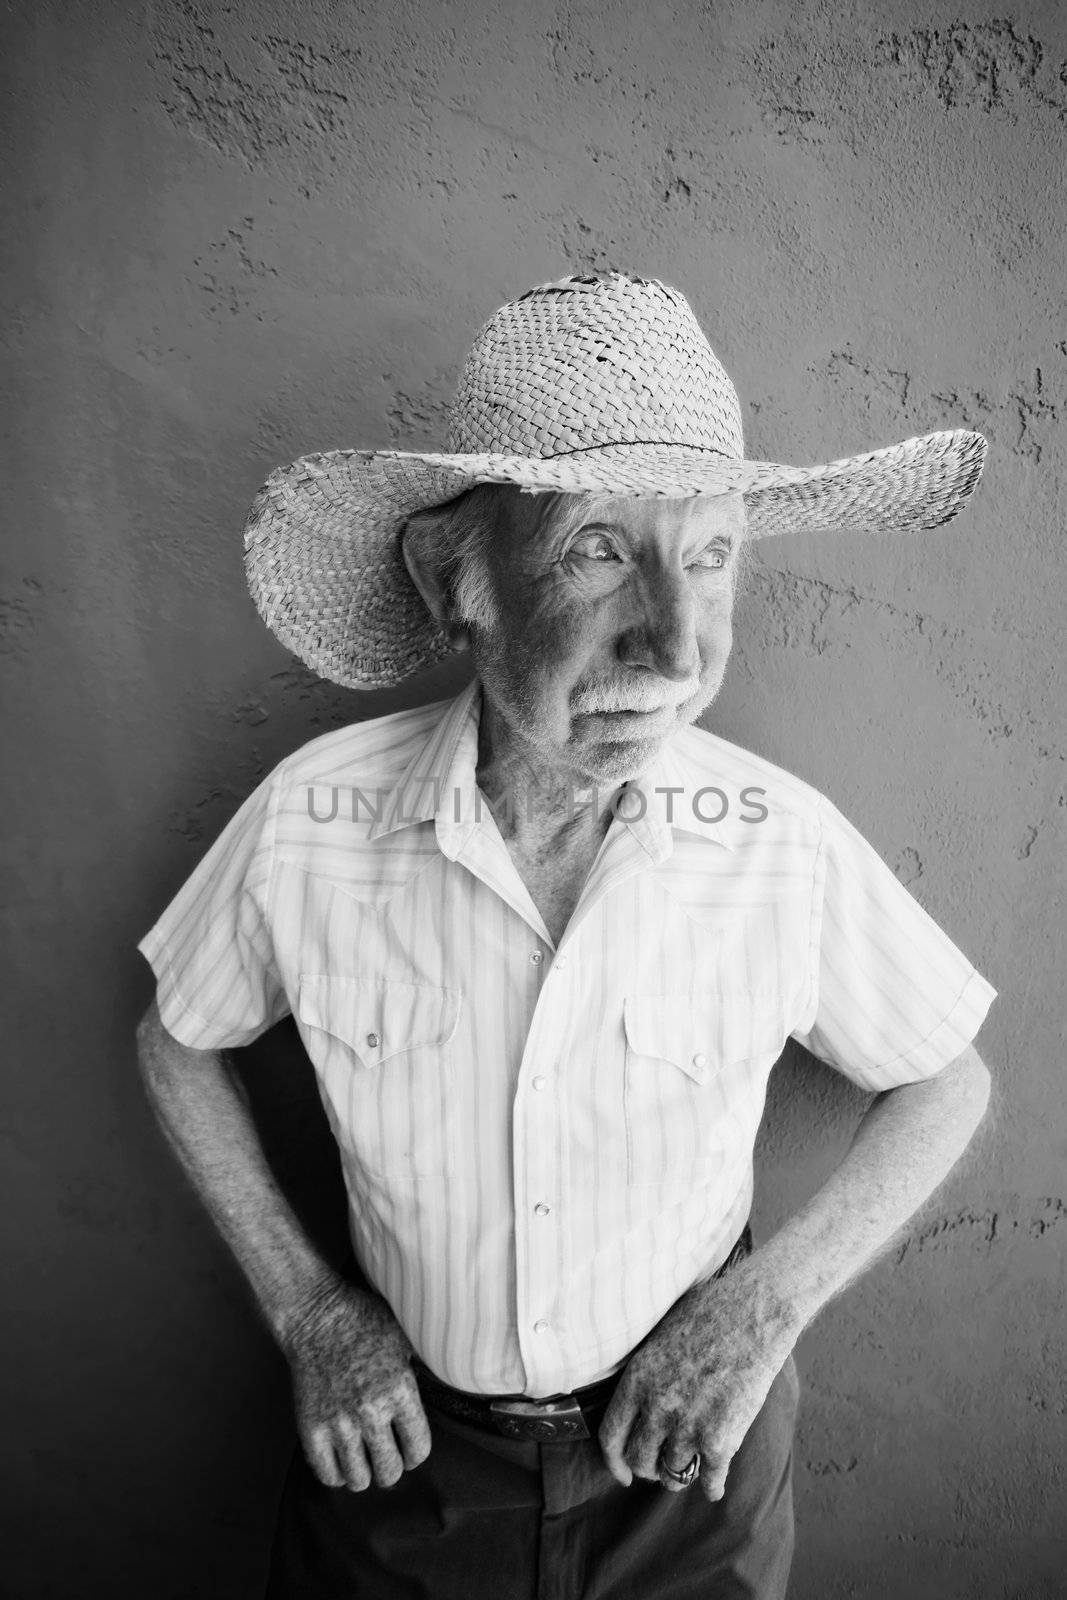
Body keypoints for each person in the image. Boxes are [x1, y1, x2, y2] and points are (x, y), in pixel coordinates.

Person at [135, 271, 996, 1600]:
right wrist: (308, 1312)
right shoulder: (312, 823)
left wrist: (761, 1314)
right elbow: (176, 1041)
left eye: (708, 552)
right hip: (401, 1471)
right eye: (602, 547)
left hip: (690, 1473)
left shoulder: (777, 839)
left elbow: (948, 1074)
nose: (678, 639)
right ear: (456, 581)